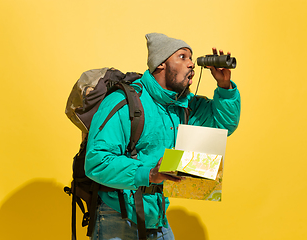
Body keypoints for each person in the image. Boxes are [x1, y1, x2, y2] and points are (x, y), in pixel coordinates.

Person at [85, 32, 241, 240]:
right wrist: (150, 174)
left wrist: (225, 87)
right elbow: (96, 162)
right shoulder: (123, 102)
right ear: (160, 64)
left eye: (192, 58)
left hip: (155, 213)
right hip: (117, 215)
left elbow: (223, 126)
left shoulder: (183, 107)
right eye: (182, 57)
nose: (191, 64)